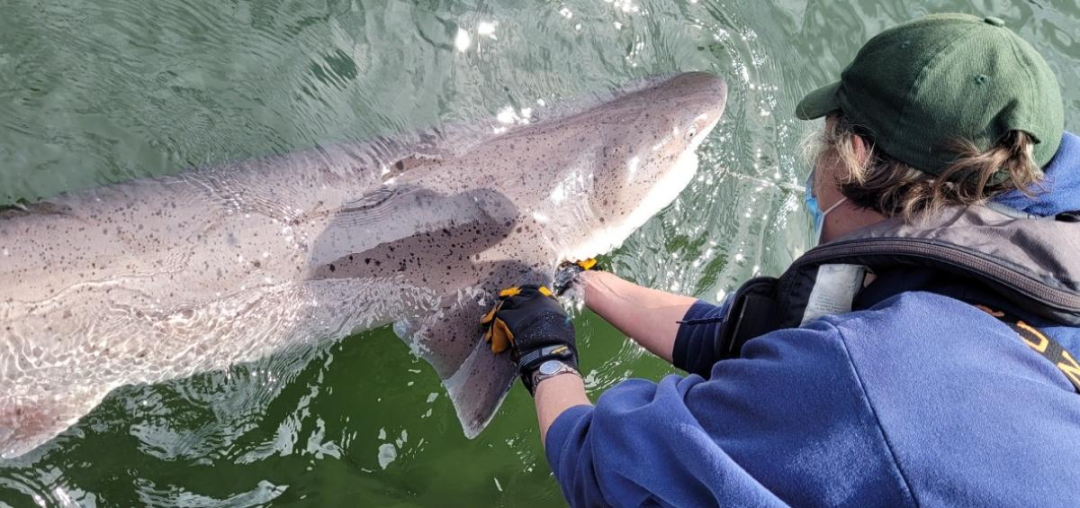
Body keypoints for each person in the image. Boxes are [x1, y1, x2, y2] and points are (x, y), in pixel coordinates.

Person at [481, 13, 1080, 507]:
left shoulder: (868, 380)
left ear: (851, 156)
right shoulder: (1044, 243)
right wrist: (588, 283)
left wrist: (547, 356)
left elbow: (604, 468)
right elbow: (748, 338)